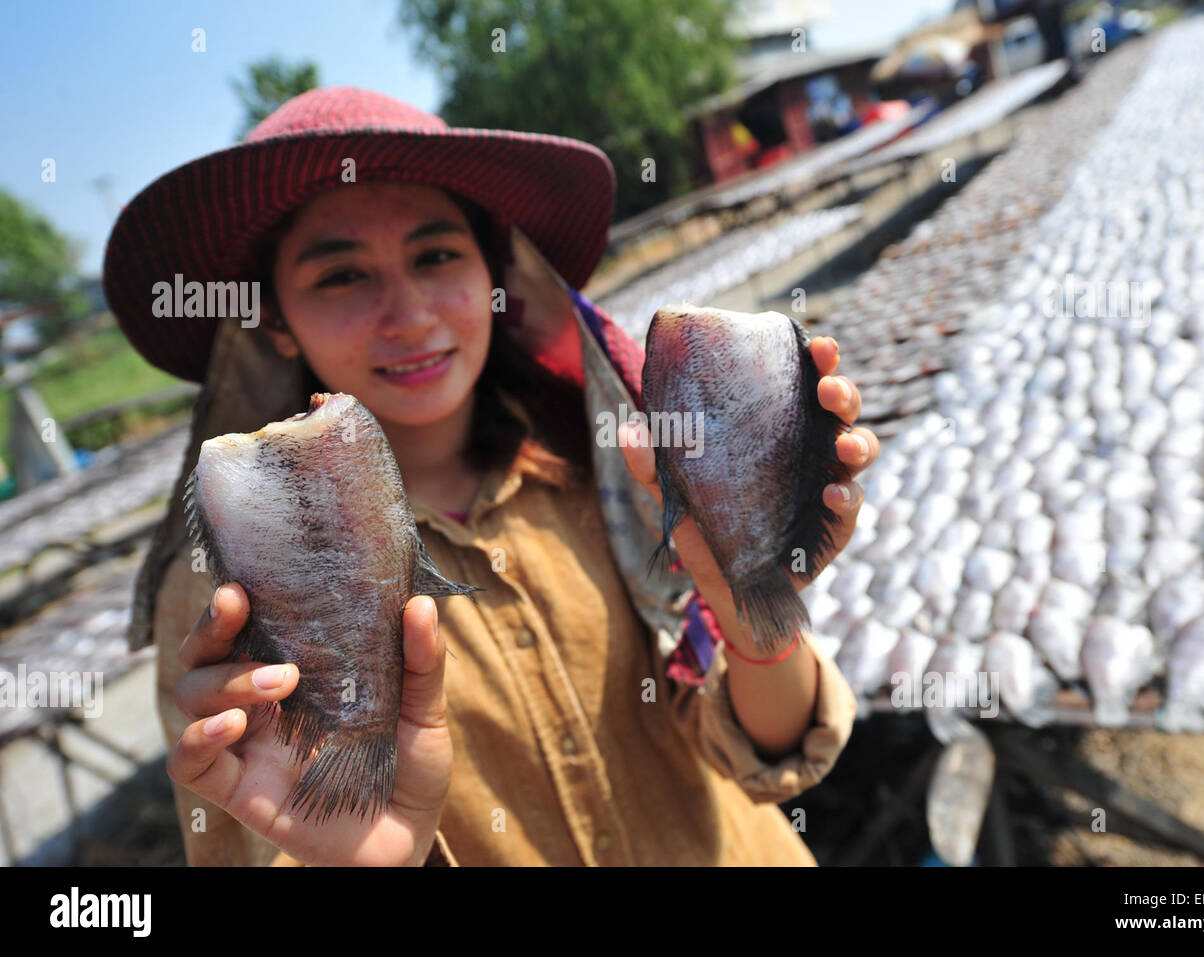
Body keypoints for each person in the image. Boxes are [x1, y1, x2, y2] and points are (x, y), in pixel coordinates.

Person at [102, 87, 880, 866]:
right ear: (274, 318)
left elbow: (758, 750)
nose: (408, 313)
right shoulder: (225, 589)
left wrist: (756, 617)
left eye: (437, 256)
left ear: (494, 269)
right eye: (341, 276)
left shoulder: (611, 462)